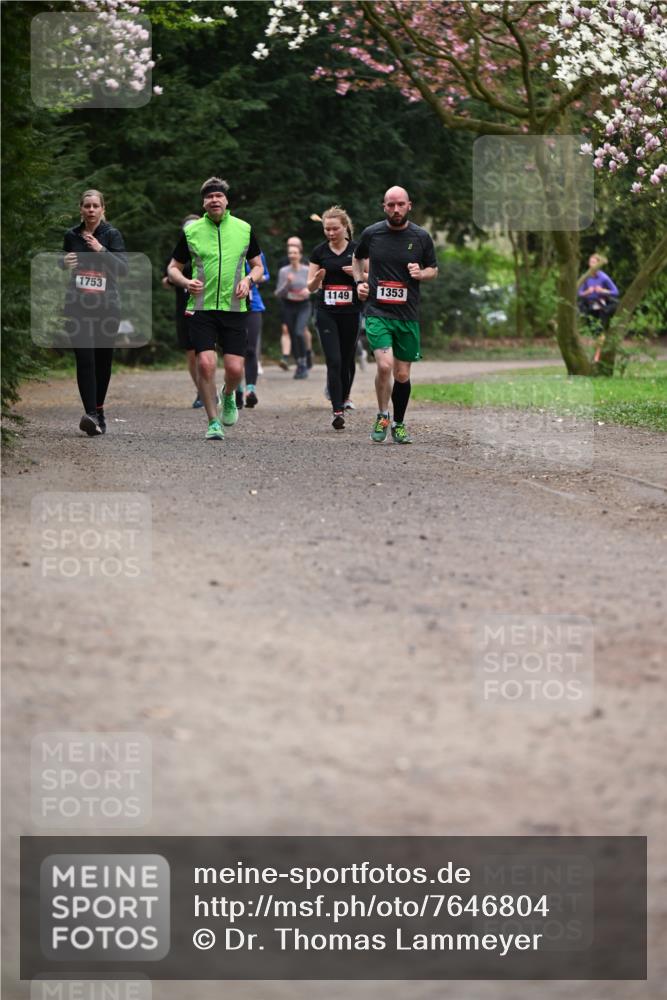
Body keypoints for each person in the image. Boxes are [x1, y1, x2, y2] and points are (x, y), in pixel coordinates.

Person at [167, 177, 264, 441]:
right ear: (203, 202)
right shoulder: (192, 232)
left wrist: (247, 279)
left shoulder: (243, 229)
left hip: (234, 307)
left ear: (226, 200)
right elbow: (172, 268)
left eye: (218, 196)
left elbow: (258, 266)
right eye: (209, 197)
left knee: (234, 369)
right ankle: (212, 422)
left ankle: (229, 394)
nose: (214, 200)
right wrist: (186, 282)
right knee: (206, 364)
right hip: (201, 308)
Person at [352, 185, 438, 444]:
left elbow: (433, 269)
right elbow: (357, 259)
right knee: (384, 365)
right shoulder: (373, 234)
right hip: (378, 311)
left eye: (400, 204)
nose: (396, 209)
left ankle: (399, 423)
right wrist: (359, 283)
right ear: (384, 207)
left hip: (407, 315)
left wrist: (420, 273)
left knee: (402, 375)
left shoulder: (421, 237)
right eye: (391, 205)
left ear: (409, 205)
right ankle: (382, 414)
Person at [62, 189, 128, 436]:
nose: (90, 210)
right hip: (77, 306)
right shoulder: (71, 235)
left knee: (102, 360)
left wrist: (101, 249)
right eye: (86, 206)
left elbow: (123, 269)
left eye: (95, 206)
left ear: (102, 209)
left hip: (107, 307)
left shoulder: (111, 235)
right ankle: (90, 413)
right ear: (80, 209)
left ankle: (99, 411)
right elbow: (63, 261)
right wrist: (62, 262)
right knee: (85, 358)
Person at [307, 206, 363, 430]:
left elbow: (373, 276)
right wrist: (318, 277)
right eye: (327, 229)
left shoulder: (358, 250)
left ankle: (345, 395)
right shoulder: (319, 252)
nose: (330, 233)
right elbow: (310, 286)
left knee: (348, 360)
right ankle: (337, 409)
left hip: (350, 311)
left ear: (345, 228)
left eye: (334, 229)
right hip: (326, 311)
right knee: (334, 360)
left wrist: (358, 274)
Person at [162, 214, 201, 407]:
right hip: (184, 307)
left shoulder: (210, 249)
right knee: (191, 352)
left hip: (207, 307)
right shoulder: (178, 253)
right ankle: (201, 391)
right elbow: (166, 279)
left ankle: (211, 388)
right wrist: (175, 279)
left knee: (207, 351)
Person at [240, 250, 270, 409]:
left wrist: (252, 280)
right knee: (235, 349)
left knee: (251, 349)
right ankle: (236, 389)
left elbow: (266, 275)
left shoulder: (256, 253)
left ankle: (250, 390)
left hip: (253, 305)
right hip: (230, 306)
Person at [276, 243, 311, 379]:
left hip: (304, 305)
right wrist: (287, 283)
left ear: (300, 255)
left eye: (295, 253)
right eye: (290, 253)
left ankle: (303, 362)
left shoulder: (307, 270)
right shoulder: (284, 271)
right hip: (289, 306)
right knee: (292, 334)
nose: (292, 255)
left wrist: (307, 290)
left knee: (299, 332)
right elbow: (278, 293)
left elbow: (316, 286)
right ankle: (299, 364)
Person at [578, 253, 619, 329]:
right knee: (580, 307)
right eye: (590, 262)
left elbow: (615, 292)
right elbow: (579, 293)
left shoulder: (604, 277)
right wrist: (587, 292)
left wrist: (603, 290)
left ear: (598, 264)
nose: (591, 265)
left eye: (594, 263)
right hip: (588, 302)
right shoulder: (586, 277)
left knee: (606, 309)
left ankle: (602, 330)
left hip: (601, 301)